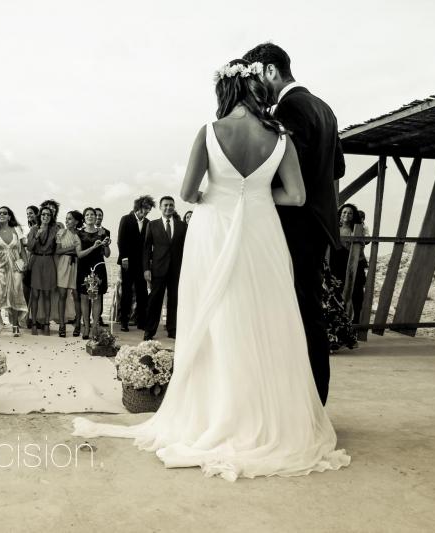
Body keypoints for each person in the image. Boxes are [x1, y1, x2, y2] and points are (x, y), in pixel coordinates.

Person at [73, 58, 349, 480]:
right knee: (266, 318)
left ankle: (214, 414)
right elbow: (295, 196)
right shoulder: (281, 136)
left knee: (214, 316)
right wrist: (253, 195)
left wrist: (221, 196)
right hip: (262, 234)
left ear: (224, 92)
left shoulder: (209, 132)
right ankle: (265, 417)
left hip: (213, 232)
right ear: (257, 88)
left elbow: (187, 193)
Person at [243, 43, 346, 405]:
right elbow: (338, 168)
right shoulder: (324, 107)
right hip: (318, 225)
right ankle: (316, 400)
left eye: (255, 75)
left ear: (270, 70)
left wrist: (248, 189)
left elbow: (283, 170)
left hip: (295, 224)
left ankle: (304, 406)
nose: (254, 85)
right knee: (309, 310)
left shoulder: (289, 108)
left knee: (294, 312)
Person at [142, 196, 187, 340]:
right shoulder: (152, 225)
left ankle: (172, 329)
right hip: (158, 269)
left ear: (174, 207)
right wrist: (146, 269)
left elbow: (186, 248)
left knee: (174, 300)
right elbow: (147, 248)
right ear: (160, 207)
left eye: (171, 205)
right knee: (154, 301)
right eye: (165, 205)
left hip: (176, 269)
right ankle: (149, 331)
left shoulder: (182, 226)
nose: (168, 207)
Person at [0, 207, 28, 337]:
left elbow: (22, 250)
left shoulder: (17, 230)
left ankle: (15, 325)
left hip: (15, 266)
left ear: (10, 216)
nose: (1, 215)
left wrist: (25, 263)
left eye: (5, 213)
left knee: (16, 293)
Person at [117, 195, 154, 332]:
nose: (147, 211)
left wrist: (148, 262)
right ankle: (124, 321)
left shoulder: (148, 223)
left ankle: (141, 321)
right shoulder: (126, 219)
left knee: (142, 293)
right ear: (138, 206)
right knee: (126, 293)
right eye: (145, 208)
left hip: (142, 264)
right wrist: (124, 258)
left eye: (149, 209)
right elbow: (121, 240)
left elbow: (148, 245)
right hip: (127, 262)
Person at [76, 207, 110, 339]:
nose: (90, 216)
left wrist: (106, 245)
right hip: (84, 267)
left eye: (93, 214)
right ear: (84, 218)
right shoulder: (78, 234)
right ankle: (86, 327)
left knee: (97, 297)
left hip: (98, 266)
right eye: (88, 214)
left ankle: (95, 326)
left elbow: (107, 255)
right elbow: (79, 254)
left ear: (96, 218)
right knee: (84, 297)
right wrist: (93, 247)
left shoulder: (103, 232)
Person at [330, 203, 367, 323]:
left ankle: (356, 322)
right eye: (344, 212)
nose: (347, 215)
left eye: (350, 213)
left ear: (353, 216)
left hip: (354, 265)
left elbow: (360, 250)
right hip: (337, 265)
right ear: (340, 214)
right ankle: (337, 321)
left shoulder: (356, 230)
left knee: (357, 294)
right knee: (336, 292)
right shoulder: (334, 229)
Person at [27, 205, 58, 335]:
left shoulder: (55, 230)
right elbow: (29, 247)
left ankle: (46, 323)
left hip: (49, 261)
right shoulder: (34, 229)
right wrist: (37, 236)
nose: (45, 216)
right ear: (40, 216)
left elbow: (58, 247)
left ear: (51, 217)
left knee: (47, 295)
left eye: (48, 215)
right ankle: (34, 323)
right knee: (35, 295)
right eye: (43, 214)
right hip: (37, 261)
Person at [55, 210, 83, 337]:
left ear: (76, 221)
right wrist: (73, 248)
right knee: (62, 295)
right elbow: (58, 251)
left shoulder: (81, 234)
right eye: (66, 218)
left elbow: (82, 252)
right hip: (63, 264)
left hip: (77, 264)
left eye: (70, 219)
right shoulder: (61, 232)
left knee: (77, 295)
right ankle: (62, 325)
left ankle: (78, 324)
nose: (67, 221)